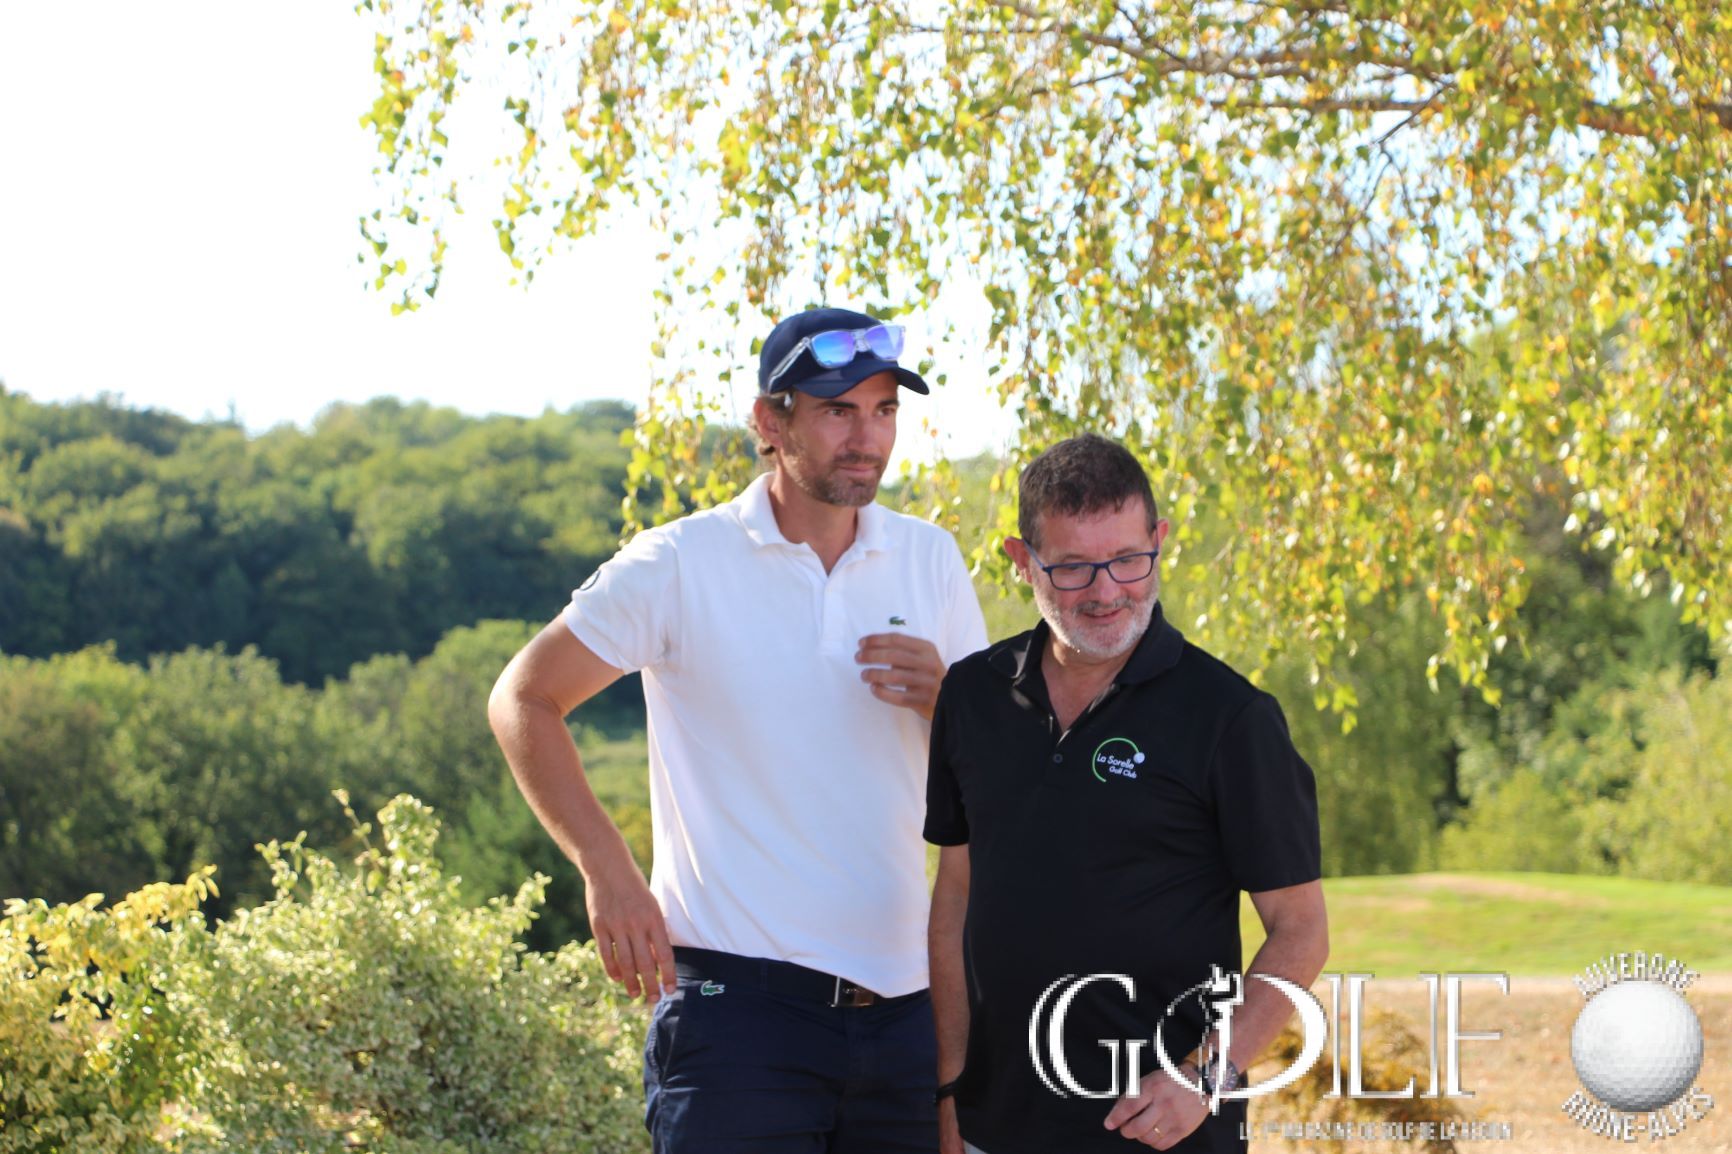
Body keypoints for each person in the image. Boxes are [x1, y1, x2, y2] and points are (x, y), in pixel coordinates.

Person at [488, 306, 988, 1153]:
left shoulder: (929, 558)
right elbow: (523, 699)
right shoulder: (679, 562)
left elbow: (996, 771)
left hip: (906, 1018)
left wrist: (951, 704)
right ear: (769, 421)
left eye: (884, 411)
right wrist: (609, 872)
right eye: (838, 411)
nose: (867, 437)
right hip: (736, 1020)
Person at [925, 433, 1329, 1153]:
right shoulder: (971, 697)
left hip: (1162, 1134)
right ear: (1022, 560)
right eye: (1073, 568)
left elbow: (1301, 932)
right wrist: (951, 1086)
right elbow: (955, 897)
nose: (1107, 591)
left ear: (1159, 542)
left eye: (1127, 560)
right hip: (996, 1128)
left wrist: (1206, 1076)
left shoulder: (1231, 718)